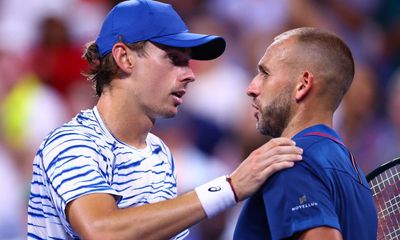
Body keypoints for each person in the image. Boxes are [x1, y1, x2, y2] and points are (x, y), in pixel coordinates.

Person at [27, 1, 303, 239]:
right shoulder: (72, 142)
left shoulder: (159, 153)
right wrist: (228, 188)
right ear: (124, 57)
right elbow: (103, 232)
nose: (190, 73)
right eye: (174, 59)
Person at [233, 27, 377, 240]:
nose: (251, 87)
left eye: (265, 73)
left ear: (302, 84)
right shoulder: (351, 172)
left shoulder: (291, 159)